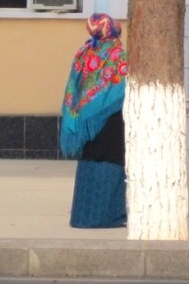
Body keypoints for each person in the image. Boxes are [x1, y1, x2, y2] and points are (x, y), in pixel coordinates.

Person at [60, 13, 129, 229]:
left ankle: (82, 216)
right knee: (112, 161)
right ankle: (109, 216)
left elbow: (75, 87)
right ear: (113, 31)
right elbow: (124, 84)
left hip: (87, 124)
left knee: (89, 161)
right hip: (111, 120)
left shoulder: (84, 52)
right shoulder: (116, 54)